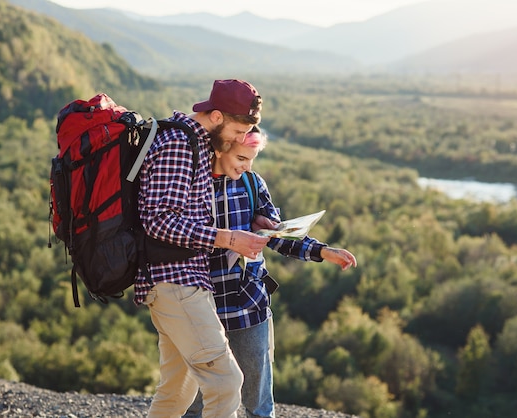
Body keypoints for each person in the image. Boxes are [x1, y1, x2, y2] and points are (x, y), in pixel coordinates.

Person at [183, 126, 358, 418]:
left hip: (248, 304)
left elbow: (280, 235)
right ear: (220, 148)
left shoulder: (252, 183)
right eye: (241, 157)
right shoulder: (189, 185)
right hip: (201, 307)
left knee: (259, 403)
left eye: (251, 159)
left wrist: (323, 251)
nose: (247, 166)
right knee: (196, 403)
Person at [135, 79, 272, 418]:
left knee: (177, 394)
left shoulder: (195, 145)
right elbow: (157, 221)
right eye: (239, 130)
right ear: (215, 117)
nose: (241, 140)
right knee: (226, 383)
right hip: (175, 284)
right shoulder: (179, 145)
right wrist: (227, 239)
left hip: (183, 284)